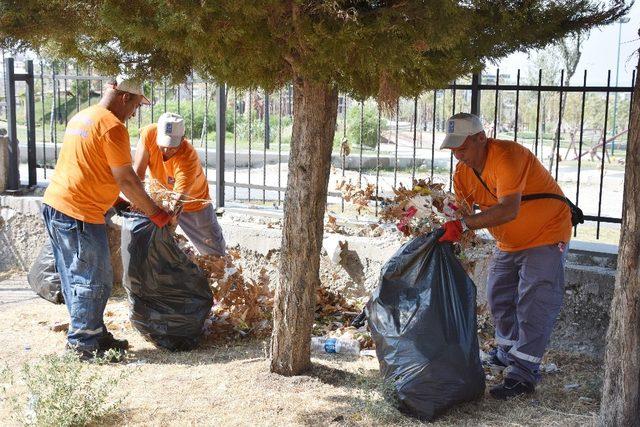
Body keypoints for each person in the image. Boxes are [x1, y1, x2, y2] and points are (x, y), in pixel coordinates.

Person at [439, 113, 572, 399]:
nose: (457, 154)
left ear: (481, 139)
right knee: (497, 295)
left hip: (546, 234)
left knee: (534, 302)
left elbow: (509, 209)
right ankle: (508, 353)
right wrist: (437, 219)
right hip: (508, 242)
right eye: (452, 148)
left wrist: (462, 225)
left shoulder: (508, 156)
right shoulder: (462, 172)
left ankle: (523, 375)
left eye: (462, 147)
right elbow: (461, 211)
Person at [42, 78, 173, 361]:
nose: (135, 113)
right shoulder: (113, 126)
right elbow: (127, 178)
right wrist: (155, 212)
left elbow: (89, 166)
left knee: (74, 277)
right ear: (125, 97)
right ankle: (83, 344)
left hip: (57, 204)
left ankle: (93, 332)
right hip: (79, 213)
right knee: (94, 280)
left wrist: (117, 202)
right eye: (136, 105)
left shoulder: (83, 117)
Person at [133, 112, 226, 256]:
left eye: (172, 146)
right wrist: (142, 206)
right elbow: (137, 176)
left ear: (183, 139)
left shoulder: (188, 158)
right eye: (163, 144)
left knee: (215, 254)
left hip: (193, 205)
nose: (166, 150)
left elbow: (176, 204)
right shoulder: (149, 134)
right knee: (153, 250)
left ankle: (223, 275)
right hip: (159, 197)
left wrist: (166, 228)